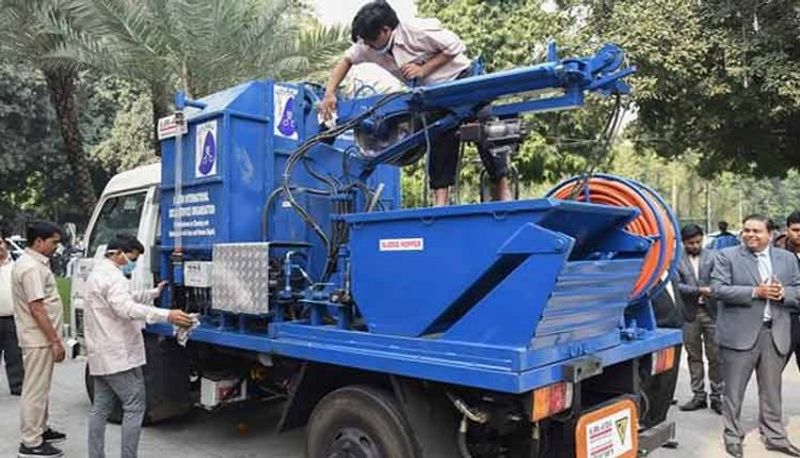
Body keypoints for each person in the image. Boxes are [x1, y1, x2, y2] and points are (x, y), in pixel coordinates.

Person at [318, 0, 512, 206]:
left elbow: (455, 45)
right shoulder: (369, 45)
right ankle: (440, 204)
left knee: (485, 127)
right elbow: (346, 60)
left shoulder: (415, 30)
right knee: (439, 138)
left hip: (462, 80)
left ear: (385, 30)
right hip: (432, 94)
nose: (366, 45)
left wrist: (424, 69)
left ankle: (503, 190)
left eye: (369, 39)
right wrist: (330, 93)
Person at [84, 234, 193, 458]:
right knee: (134, 406)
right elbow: (126, 308)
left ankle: (95, 455)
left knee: (101, 408)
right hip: (117, 355)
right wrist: (167, 315)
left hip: (102, 354)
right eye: (131, 258)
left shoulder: (98, 273)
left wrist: (152, 293)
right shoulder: (113, 277)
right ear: (117, 253)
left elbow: (123, 298)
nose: (131, 263)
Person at [711, 214, 800, 458]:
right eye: (746, 230)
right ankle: (732, 436)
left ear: (770, 235)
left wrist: (784, 293)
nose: (750, 235)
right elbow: (718, 289)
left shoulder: (787, 258)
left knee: (772, 390)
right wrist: (755, 291)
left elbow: (798, 289)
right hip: (739, 335)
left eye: (756, 231)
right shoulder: (727, 256)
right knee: (733, 391)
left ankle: (775, 437)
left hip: (775, 333)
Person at [11, 221, 67, 458]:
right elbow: (37, 308)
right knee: (35, 390)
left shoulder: (32, 263)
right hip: (39, 339)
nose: (57, 247)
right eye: (54, 242)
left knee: (40, 389)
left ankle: (40, 429)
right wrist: (55, 341)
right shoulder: (31, 267)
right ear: (39, 242)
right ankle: (31, 441)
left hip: (39, 338)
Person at [675, 224, 722, 414]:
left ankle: (717, 396)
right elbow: (677, 285)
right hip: (689, 314)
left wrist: (712, 289)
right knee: (694, 356)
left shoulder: (713, 256)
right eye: (690, 243)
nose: (695, 246)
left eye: (698, 242)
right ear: (683, 242)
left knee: (716, 356)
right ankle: (698, 396)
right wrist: (699, 290)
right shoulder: (676, 259)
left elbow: (719, 280)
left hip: (712, 312)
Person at [776, 211, 800, 372]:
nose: (799, 234)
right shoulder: (774, 254)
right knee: (772, 374)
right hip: (784, 319)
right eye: (796, 230)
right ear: (787, 229)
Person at [0, 237, 24, 395]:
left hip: (12, 316)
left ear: (5, 244)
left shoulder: (16, 265)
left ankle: (17, 385)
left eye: (0, 243)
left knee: (14, 353)